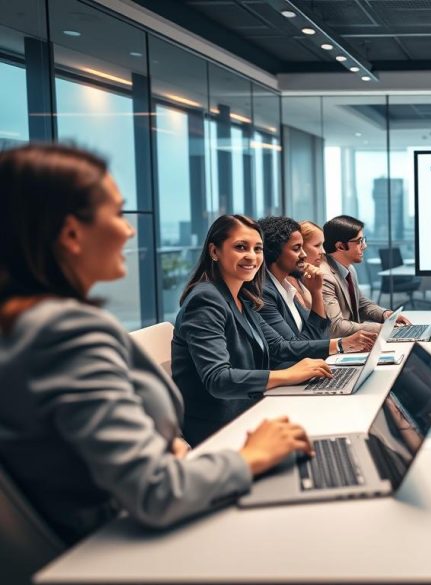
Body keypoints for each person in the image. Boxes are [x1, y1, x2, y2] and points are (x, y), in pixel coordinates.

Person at [0, 145, 312, 544]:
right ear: (71, 233)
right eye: (116, 214)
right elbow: (155, 492)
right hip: (118, 543)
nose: (129, 230)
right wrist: (250, 457)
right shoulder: (64, 333)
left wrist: (169, 450)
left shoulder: (30, 323)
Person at [172, 215, 336, 444]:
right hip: (221, 428)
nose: (252, 256)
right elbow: (218, 379)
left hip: (251, 411)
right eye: (241, 247)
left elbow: (276, 347)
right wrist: (287, 375)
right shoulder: (205, 301)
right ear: (214, 251)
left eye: (257, 248)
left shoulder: (242, 296)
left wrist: (317, 360)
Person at [256, 216, 374, 352]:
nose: (304, 255)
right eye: (296, 248)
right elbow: (294, 348)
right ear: (274, 251)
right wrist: (340, 344)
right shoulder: (266, 292)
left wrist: (315, 292)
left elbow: (320, 335)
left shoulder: (286, 288)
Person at [320, 214, 410, 337]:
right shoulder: (324, 276)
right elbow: (336, 327)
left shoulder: (349, 269)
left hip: (357, 340)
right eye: (359, 241)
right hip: (340, 346)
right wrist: (381, 328)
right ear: (340, 246)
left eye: (364, 240)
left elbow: (361, 304)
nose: (365, 246)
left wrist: (386, 315)